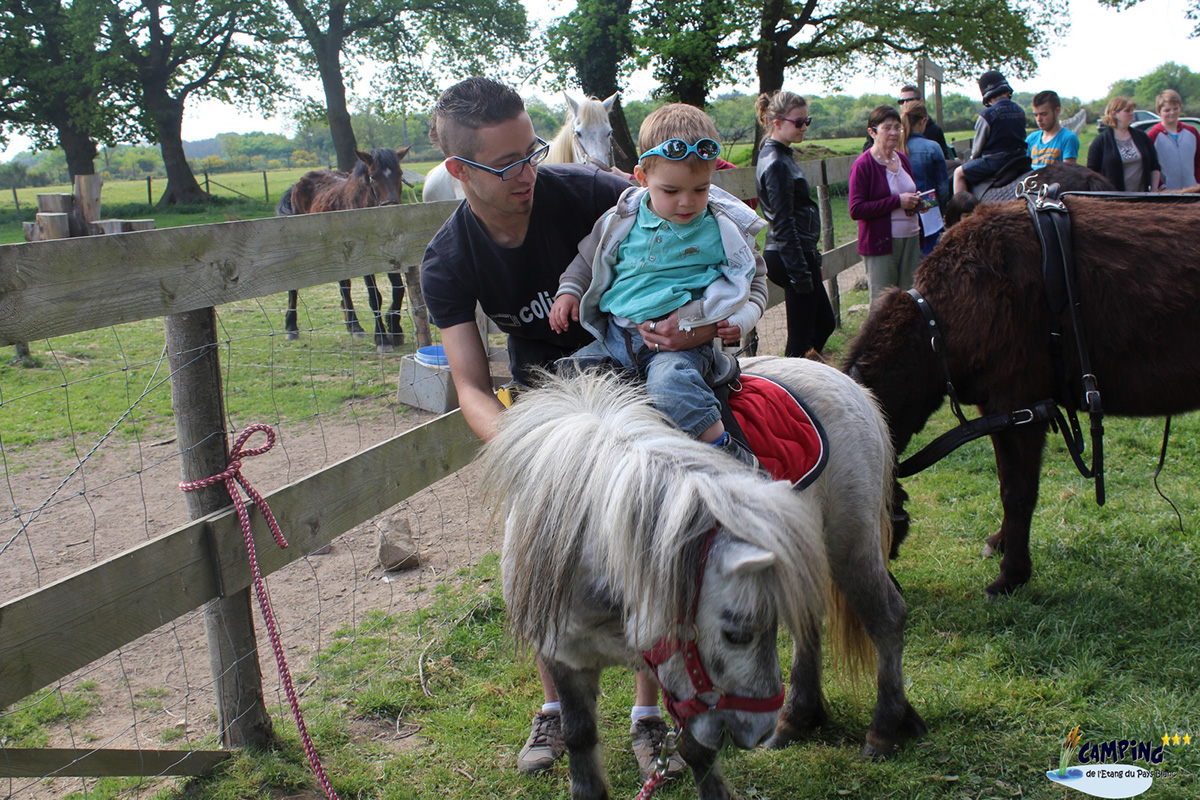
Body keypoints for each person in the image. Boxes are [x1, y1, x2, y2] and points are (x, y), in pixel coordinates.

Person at [419, 76, 686, 781]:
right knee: (537, 550)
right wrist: (526, 450)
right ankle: (555, 707)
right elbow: (470, 387)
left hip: (632, 384)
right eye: (503, 164)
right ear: (457, 171)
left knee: (651, 538)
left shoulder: (591, 192)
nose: (525, 174)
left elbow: (685, 224)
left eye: (529, 153)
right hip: (544, 404)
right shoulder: (448, 260)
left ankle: (649, 713)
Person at [550, 103, 767, 468]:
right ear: (640, 176)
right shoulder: (618, 222)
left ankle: (730, 457)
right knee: (567, 375)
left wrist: (741, 319)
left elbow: (756, 278)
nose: (687, 202)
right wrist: (569, 291)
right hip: (617, 338)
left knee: (670, 387)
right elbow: (587, 260)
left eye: (701, 189)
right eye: (670, 190)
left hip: (680, 347)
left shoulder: (722, 228)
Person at [753, 90, 835, 356]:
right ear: (777, 122)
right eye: (798, 122)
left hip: (796, 252)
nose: (804, 128)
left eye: (806, 121)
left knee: (823, 324)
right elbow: (783, 222)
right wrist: (800, 272)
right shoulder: (776, 162)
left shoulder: (780, 155)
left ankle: (805, 378)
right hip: (790, 254)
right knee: (802, 338)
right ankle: (792, 388)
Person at [850, 105, 923, 302]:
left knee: (911, 299)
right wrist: (897, 201)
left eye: (898, 128)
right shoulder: (864, 165)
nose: (894, 132)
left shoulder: (902, 159)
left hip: (911, 238)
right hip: (881, 243)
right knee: (884, 304)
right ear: (872, 132)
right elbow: (856, 209)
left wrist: (916, 201)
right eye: (887, 127)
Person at [953, 70, 1028, 194]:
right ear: (1008, 92)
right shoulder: (1020, 111)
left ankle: (961, 209)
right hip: (1020, 158)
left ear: (988, 97)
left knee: (958, 173)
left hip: (995, 162)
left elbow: (977, 150)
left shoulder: (986, 115)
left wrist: (973, 158)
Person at [900, 100, 949, 256]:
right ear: (923, 120)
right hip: (927, 210)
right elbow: (942, 187)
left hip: (900, 213)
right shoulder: (932, 147)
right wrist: (942, 209)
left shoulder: (895, 148)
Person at [1086, 96, 1162, 192]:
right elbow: (1091, 174)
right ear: (1114, 114)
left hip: (1142, 198)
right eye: (1127, 111)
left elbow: (1154, 166)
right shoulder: (1100, 141)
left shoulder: (1142, 137)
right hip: (1113, 200)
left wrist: (1154, 190)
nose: (1132, 114)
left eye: (1132, 110)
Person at [862, 85, 952, 157]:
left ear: (921, 101)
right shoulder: (892, 127)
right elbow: (869, 148)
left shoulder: (934, 130)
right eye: (901, 101)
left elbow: (944, 158)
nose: (905, 104)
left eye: (910, 100)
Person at [1146, 89, 1199, 190]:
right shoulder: (1153, 135)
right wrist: (1160, 185)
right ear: (1159, 111)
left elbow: (1198, 160)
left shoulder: (1192, 132)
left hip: (1193, 190)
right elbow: (1149, 166)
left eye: (1176, 108)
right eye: (1167, 110)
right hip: (1167, 192)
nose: (1172, 113)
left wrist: (1198, 181)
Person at [1026, 90, 1080, 168]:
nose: (1039, 119)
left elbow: (1068, 173)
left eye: (1044, 114)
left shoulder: (1068, 138)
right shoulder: (1031, 139)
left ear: (1057, 111)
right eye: (1036, 115)